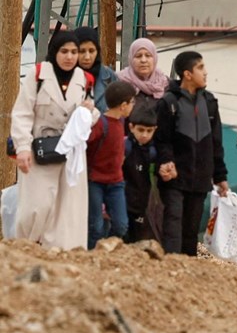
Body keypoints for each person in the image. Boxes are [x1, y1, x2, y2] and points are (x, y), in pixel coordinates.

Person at [10, 30, 99, 250]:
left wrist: (89, 112)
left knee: (67, 208)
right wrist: (22, 147)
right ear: (54, 52)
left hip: (71, 154)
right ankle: (25, 247)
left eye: (74, 52)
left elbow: (93, 115)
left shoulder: (85, 79)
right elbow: (22, 113)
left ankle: (63, 252)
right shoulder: (38, 74)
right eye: (64, 51)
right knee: (35, 206)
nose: (70, 57)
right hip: (39, 150)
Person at [155, 51, 228, 256]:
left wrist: (220, 177)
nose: (206, 73)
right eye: (201, 68)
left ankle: (188, 272)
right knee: (173, 225)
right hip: (174, 179)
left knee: (191, 228)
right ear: (187, 74)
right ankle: (171, 268)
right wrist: (167, 162)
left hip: (200, 179)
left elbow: (216, 142)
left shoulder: (210, 103)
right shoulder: (168, 103)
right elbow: (162, 140)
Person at [86, 81, 136, 249]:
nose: (133, 106)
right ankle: (92, 257)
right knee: (96, 226)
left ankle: (106, 250)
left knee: (121, 224)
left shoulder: (121, 123)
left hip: (116, 182)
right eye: (132, 102)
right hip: (95, 182)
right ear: (123, 105)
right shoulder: (100, 124)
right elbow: (86, 144)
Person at [122, 103, 160, 243]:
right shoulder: (125, 147)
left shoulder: (154, 152)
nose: (145, 135)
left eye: (149, 131)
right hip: (123, 200)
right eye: (141, 130)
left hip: (142, 204)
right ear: (131, 127)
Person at [117, 37, 169, 114]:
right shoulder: (119, 82)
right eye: (138, 56)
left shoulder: (165, 83)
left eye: (148, 55)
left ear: (154, 58)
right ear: (131, 58)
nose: (143, 60)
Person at [75, 27, 117, 112]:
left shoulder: (108, 76)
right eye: (82, 51)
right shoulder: (64, 75)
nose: (87, 57)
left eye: (91, 51)